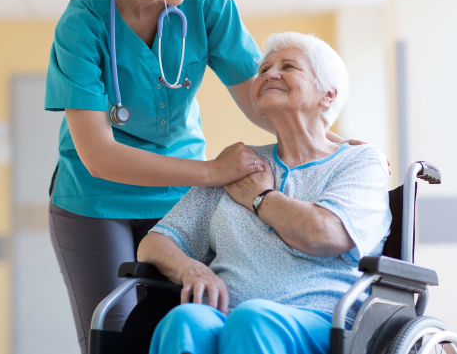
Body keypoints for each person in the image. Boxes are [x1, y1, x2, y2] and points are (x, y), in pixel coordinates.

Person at [44, 0, 352, 353]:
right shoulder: (82, 23)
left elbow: (261, 97)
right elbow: (100, 156)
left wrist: (334, 146)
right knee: (115, 336)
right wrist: (211, 172)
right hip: (95, 200)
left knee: (185, 323)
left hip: (178, 198)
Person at [137, 32, 392, 354]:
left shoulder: (359, 161)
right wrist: (191, 268)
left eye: (288, 66)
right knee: (186, 320)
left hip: (323, 321)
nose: (269, 74)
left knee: (252, 318)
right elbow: (157, 242)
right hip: (227, 317)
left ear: (327, 96)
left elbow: (325, 233)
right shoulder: (238, 164)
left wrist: (261, 198)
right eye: (264, 69)